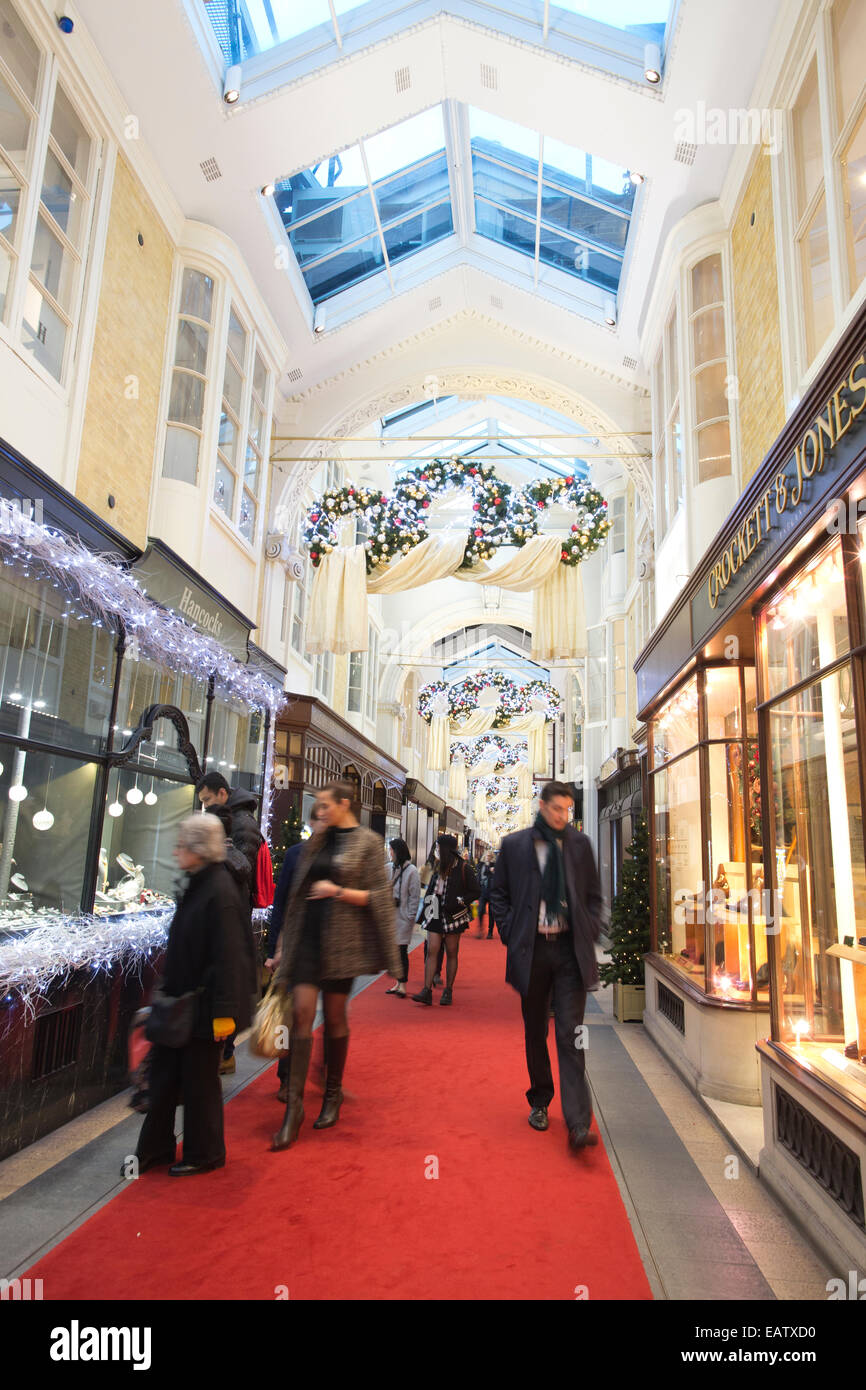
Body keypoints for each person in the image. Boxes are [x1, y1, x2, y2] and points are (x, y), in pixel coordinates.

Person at [271, 781, 400, 1150]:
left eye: (326, 804)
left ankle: (332, 1094)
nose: (321, 810)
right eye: (319, 805)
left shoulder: (367, 842)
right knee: (301, 1015)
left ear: (345, 804)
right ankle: (293, 1108)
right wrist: (280, 944)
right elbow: (295, 895)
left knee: (335, 1018)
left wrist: (338, 891)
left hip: (341, 946)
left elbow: (380, 896)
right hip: (308, 940)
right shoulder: (316, 841)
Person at [132, 814, 252, 1176]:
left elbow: (230, 957)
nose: (176, 850)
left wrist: (224, 1014)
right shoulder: (200, 882)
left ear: (198, 850)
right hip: (182, 1002)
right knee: (166, 1076)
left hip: (205, 1007)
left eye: (182, 845)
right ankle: (156, 1147)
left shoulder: (220, 890)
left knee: (201, 1085)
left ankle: (206, 1152)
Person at [491, 781, 603, 1156]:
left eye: (568, 810)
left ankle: (577, 1121)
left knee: (572, 1034)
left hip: (570, 952)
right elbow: (499, 893)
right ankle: (540, 1100)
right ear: (541, 806)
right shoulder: (516, 845)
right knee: (535, 1029)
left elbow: (593, 897)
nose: (562, 816)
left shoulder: (579, 845)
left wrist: (589, 928)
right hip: (532, 951)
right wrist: (510, 931)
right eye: (557, 809)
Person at [265, 804, 324, 1101]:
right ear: (311, 822)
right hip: (293, 946)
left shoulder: (336, 857)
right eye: (320, 818)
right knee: (289, 1015)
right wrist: (272, 947)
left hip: (323, 949)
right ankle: (286, 1075)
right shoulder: (294, 855)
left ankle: (305, 1072)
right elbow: (281, 903)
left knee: (308, 1017)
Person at [203, 802, 258, 1075]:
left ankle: (222, 1055)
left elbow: (225, 937)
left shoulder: (220, 875)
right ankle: (225, 1054)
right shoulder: (231, 866)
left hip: (218, 981)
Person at [412, 833, 479, 1006]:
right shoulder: (436, 866)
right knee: (432, 949)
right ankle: (426, 990)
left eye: (438, 847)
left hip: (453, 914)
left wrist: (461, 901)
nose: (436, 850)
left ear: (445, 849)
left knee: (451, 952)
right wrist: (424, 912)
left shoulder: (463, 868)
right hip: (435, 912)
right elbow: (430, 889)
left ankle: (448, 990)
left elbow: (476, 890)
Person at [196, 772, 263, 887]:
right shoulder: (227, 819)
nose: (205, 806)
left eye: (207, 799)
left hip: (232, 899)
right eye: (202, 802)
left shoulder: (243, 823)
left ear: (222, 793)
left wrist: (221, 843)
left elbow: (244, 869)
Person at [386, 837, 421, 998]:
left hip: (403, 916)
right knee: (394, 950)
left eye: (392, 850)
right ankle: (397, 983)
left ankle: (403, 985)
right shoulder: (390, 868)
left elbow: (415, 896)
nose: (390, 853)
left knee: (401, 950)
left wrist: (410, 916)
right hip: (391, 915)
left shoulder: (412, 871)